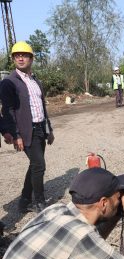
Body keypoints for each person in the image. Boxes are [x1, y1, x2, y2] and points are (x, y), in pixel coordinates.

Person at [0, 41, 55, 213]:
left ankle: (24, 201)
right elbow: (7, 110)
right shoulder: (9, 82)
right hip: (25, 130)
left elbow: (42, 106)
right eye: (17, 55)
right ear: (13, 59)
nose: (20, 58)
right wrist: (15, 134)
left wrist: (49, 129)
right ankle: (39, 202)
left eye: (24, 55)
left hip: (40, 128)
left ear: (31, 58)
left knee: (34, 165)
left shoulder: (35, 80)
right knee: (39, 165)